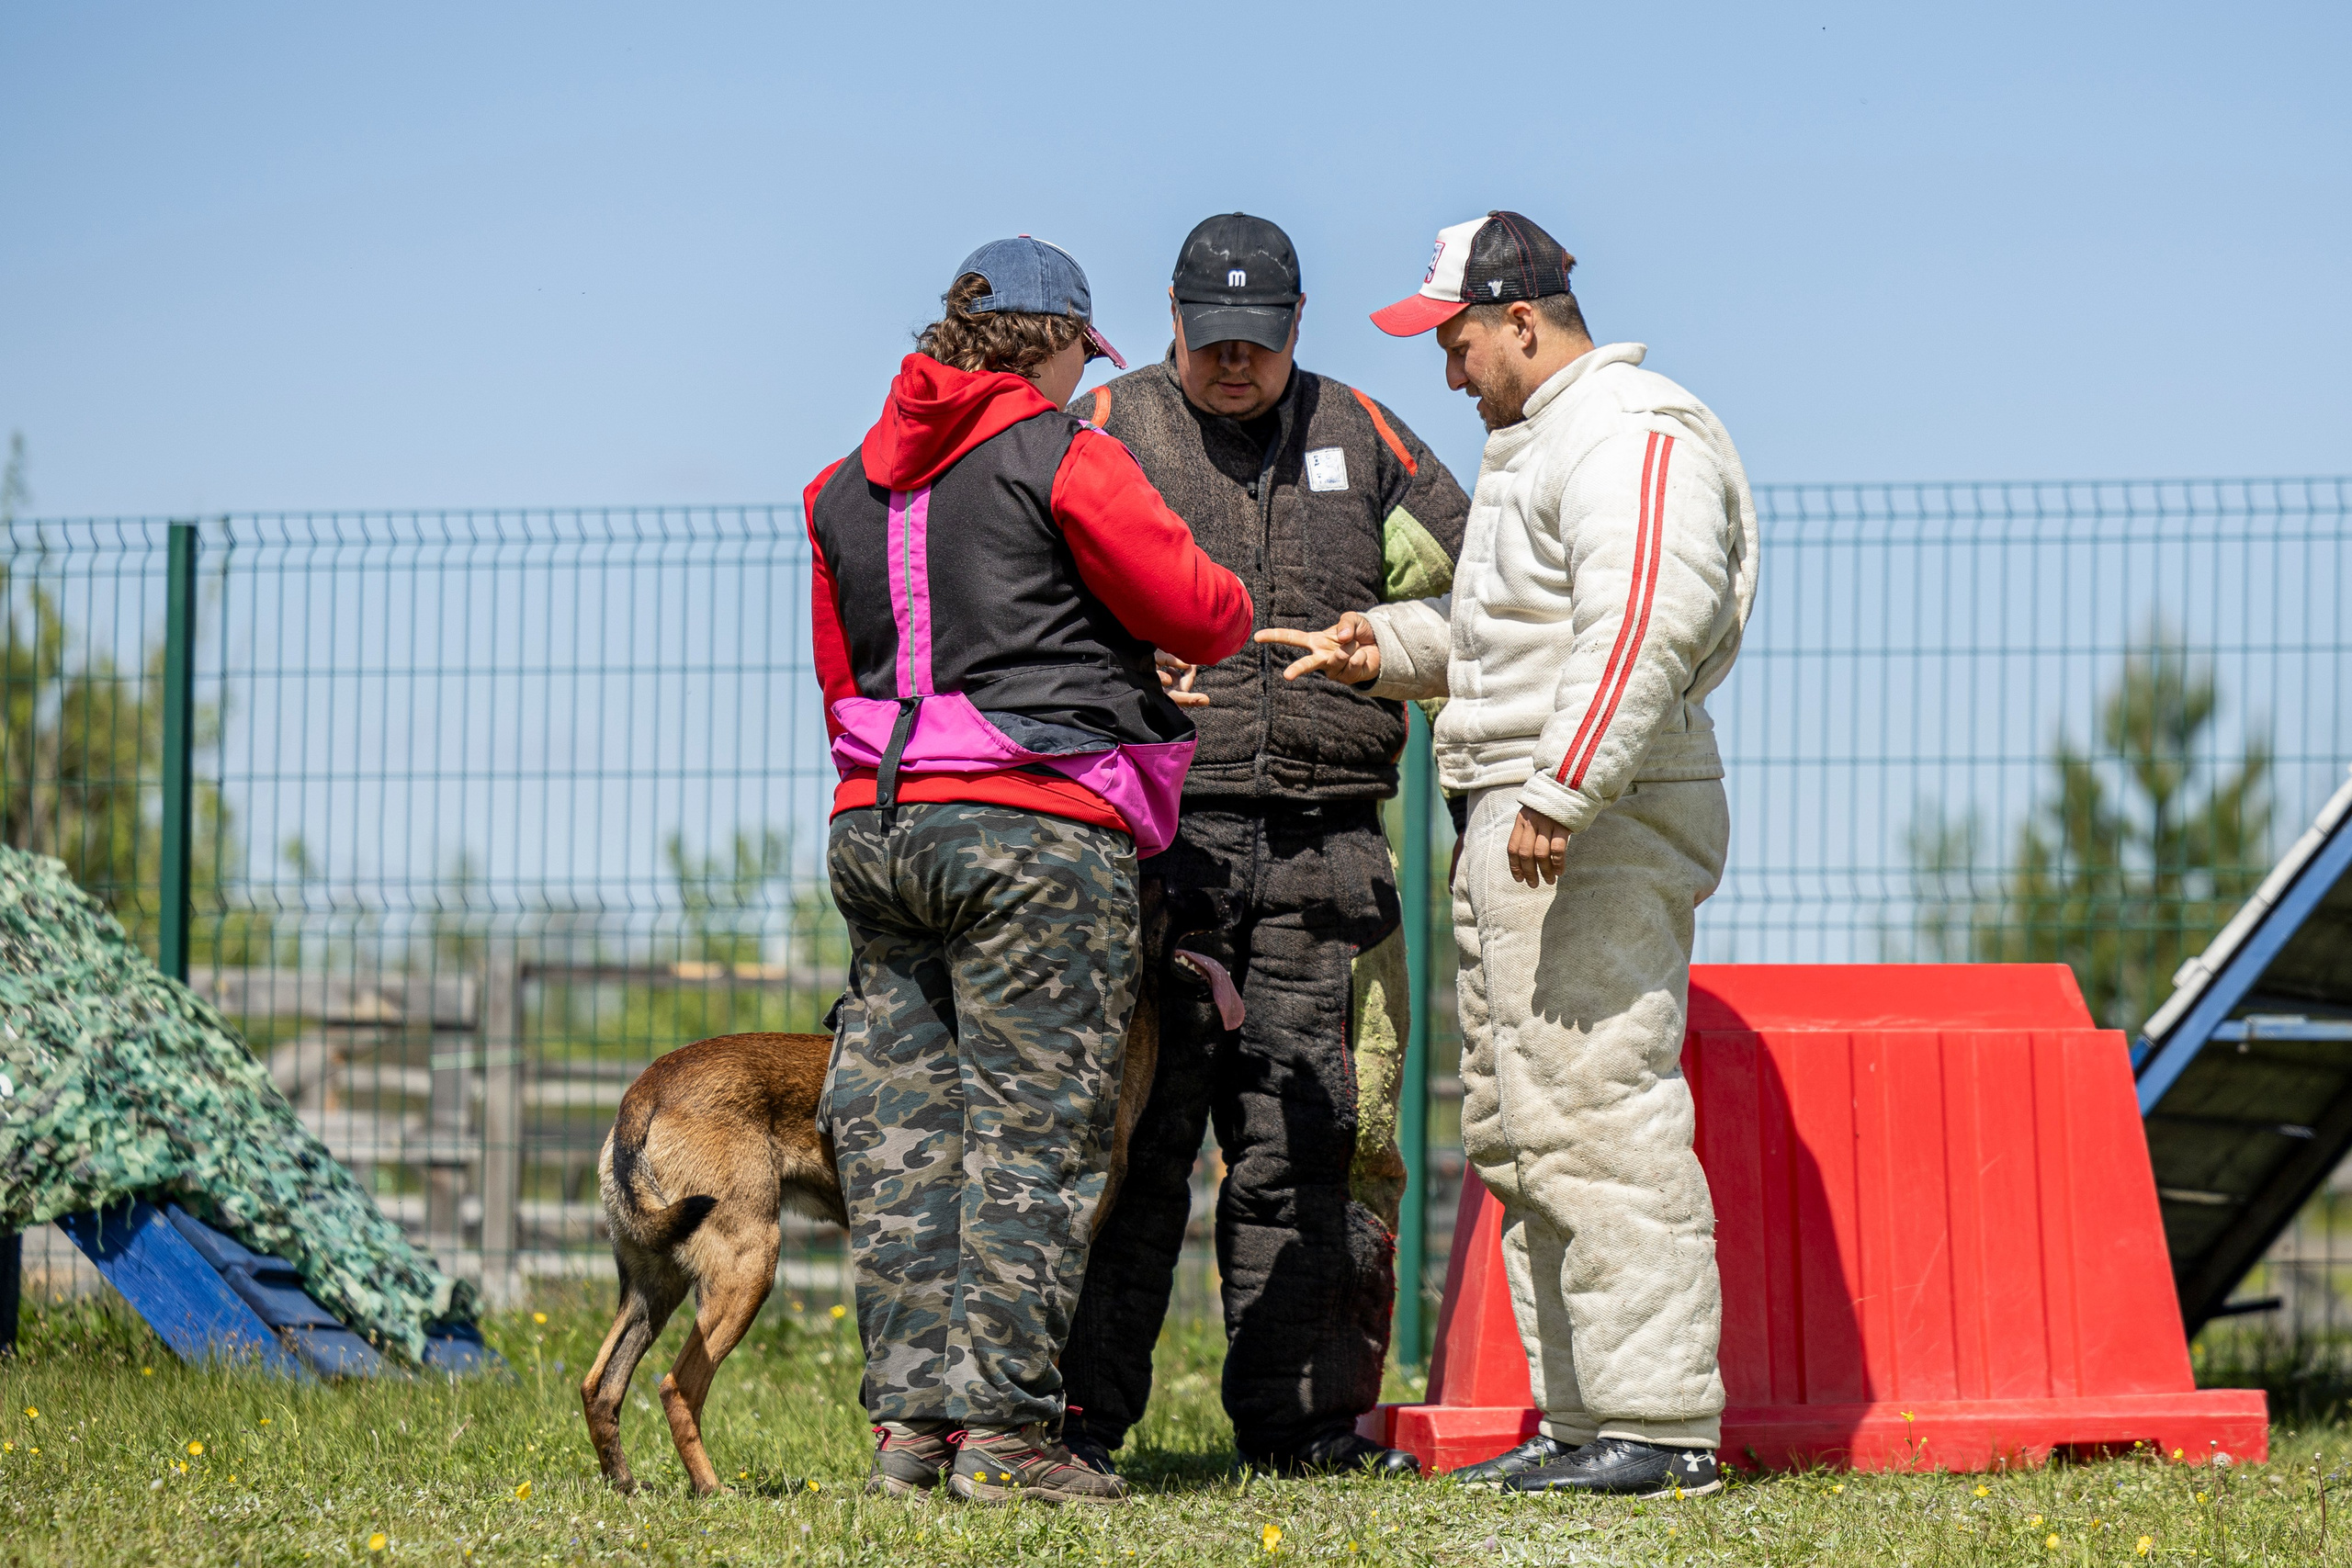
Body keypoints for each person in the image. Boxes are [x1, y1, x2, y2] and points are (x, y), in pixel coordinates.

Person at [1265, 210, 1758, 1498]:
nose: (1448, 371)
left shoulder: (1629, 431)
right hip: (1527, 809)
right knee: (1522, 1126)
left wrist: (1561, 784)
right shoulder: (1543, 443)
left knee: (1597, 1107)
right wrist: (1389, 647)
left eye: (1459, 340)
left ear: (1522, 320)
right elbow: (1521, 634)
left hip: (1586, 815)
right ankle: (1586, 1417)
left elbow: (1647, 610)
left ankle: (1656, 1427)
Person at [804, 237, 1252, 1506]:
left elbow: (844, 677)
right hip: (1035, 832)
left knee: (900, 1139)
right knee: (1036, 1138)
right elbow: (1204, 610)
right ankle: (1004, 1437)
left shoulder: (841, 487)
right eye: (1078, 356)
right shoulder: (1060, 452)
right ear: (1052, 341)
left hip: (879, 826)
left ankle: (909, 1434)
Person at [1057, 213, 1470, 1477]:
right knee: (1128, 1152)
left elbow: (1489, 587)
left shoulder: (1367, 437)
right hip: (1154, 850)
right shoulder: (1107, 432)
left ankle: (1307, 1430)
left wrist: (1389, 643)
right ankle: (1074, 1427)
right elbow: (1020, 590)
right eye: (1212, 340)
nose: (1234, 364)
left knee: (1320, 1148)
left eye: (1260, 342)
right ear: (1173, 320)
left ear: (1299, 329)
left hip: (1327, 858)